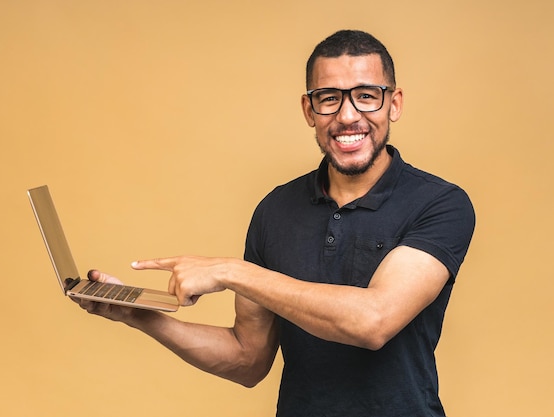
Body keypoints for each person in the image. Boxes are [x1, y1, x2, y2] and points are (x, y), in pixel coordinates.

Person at [75, 29, 475, 417]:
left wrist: (233, 272)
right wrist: (138, 315)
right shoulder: (275, 210)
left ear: (395, 103)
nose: (348, 116)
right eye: (329, 99)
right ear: (308, 110)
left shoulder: (440, 203)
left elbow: (374, 321)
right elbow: (248, 358)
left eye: (367, 96)